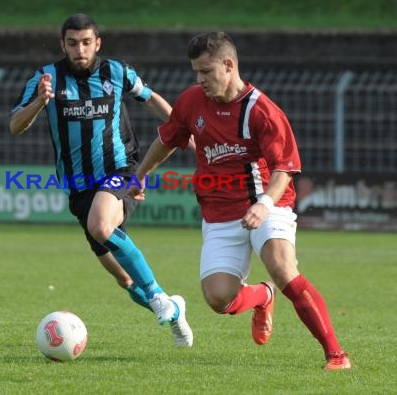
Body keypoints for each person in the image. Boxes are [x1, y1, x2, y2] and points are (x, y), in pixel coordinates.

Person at [131, 32, 351, 369]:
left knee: (283, 269)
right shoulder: (191, 102)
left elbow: (284, 170)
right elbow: (168, 140)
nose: (199, 79)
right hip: (219, 213)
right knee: (218, 299)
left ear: (229, 65)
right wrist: (141, 172)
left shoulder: (261, 111)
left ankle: (336, 354)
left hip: (267, 203)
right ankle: (262, 296)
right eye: (196, 72)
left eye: (206, 71)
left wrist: (263, 204)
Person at [9, 13, 193, 347]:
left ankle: (158, 295)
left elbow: (150, 98)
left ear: (97, 43)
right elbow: (15, 126)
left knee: (101, 226)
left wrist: (185, 132)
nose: (79, 49)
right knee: (124, 279)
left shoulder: (116, 72)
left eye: (86, 42)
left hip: (121, 171)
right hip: (79, 188)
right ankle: (174, 310)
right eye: (72, 43)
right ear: (62, 45)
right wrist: (39, 102)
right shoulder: (45, 78)